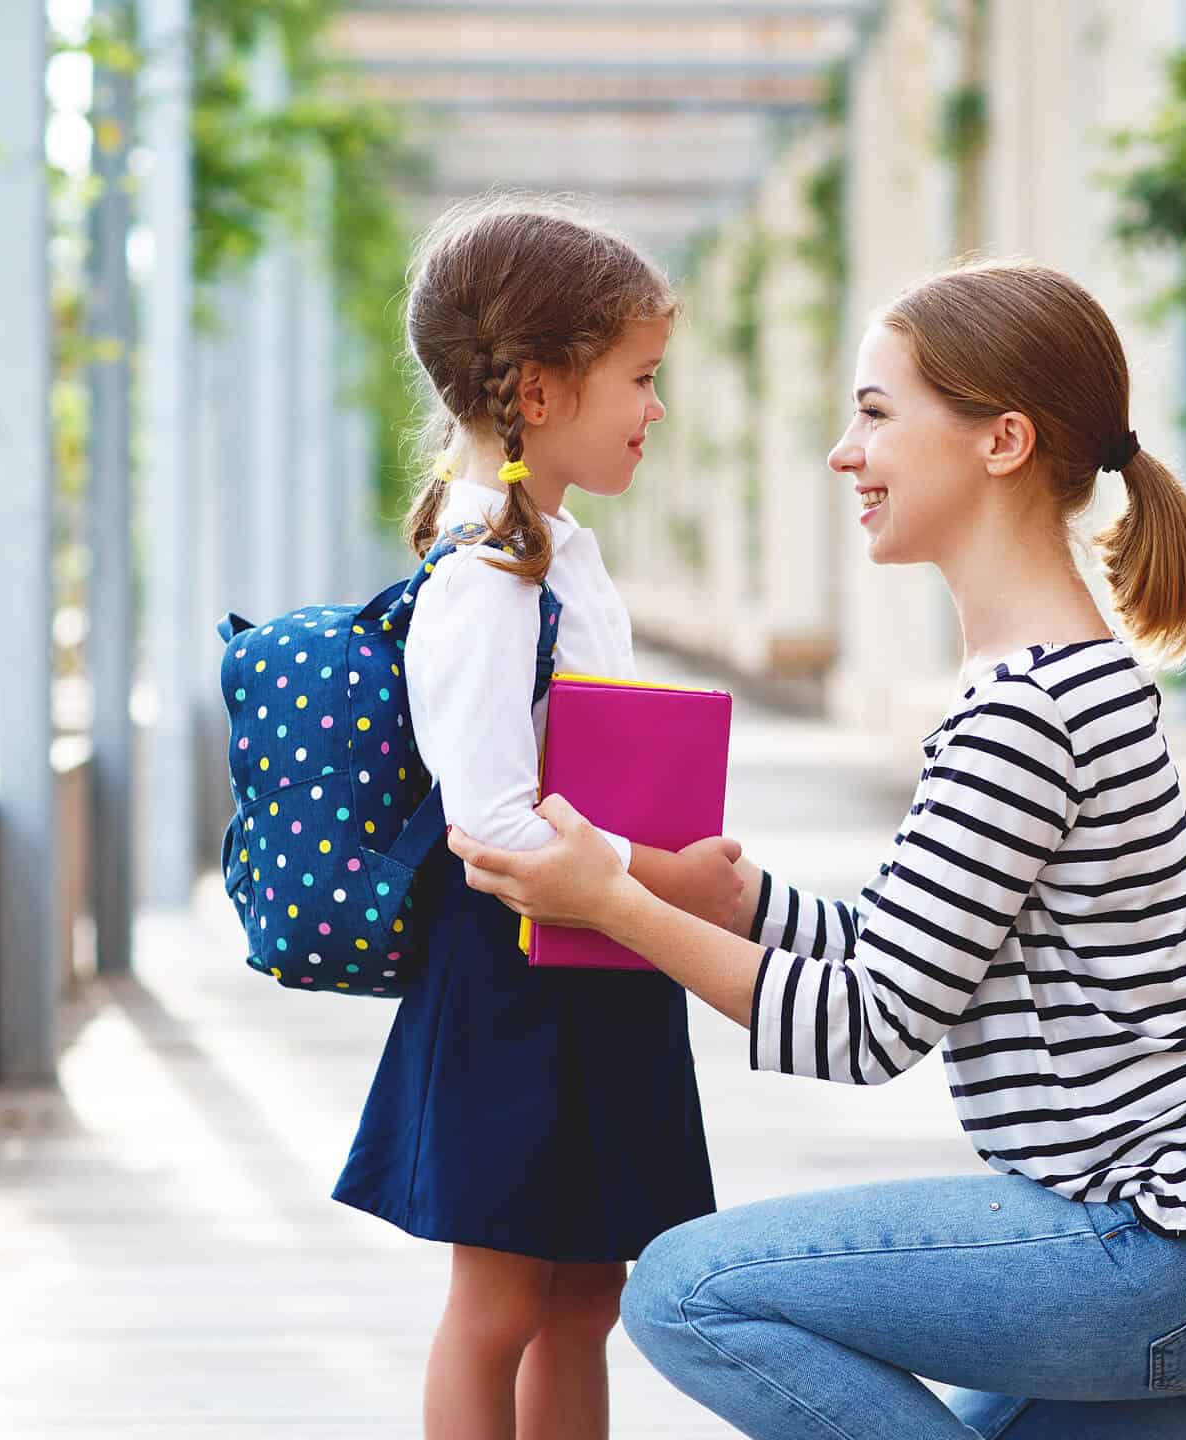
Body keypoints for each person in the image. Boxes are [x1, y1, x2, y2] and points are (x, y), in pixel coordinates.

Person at [449, 259, 1186, 1439]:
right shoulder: (1059, 681)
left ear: (1002, 442)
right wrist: (749, 904)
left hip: (1166, 1239)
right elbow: (929, 952)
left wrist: (616, 901)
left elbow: (867, 1028)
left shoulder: (1022, 715)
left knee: (688, 1291)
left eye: (874, 415)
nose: (844, 454)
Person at [331, 196, 744, 1440]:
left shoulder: (555, 551)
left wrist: (641, 871)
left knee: (588, 1293)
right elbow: (492, 822)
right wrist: (660, 874)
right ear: (541, 389)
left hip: (594, 959)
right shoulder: (486, 578)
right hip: (518, 976)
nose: (655, 409)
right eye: (640, 377)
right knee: (501, 1294)